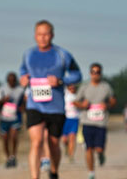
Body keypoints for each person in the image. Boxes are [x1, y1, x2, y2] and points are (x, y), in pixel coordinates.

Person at [20, 20, 82, 179]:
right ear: (35, 36)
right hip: (35, 105)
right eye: (39, 34)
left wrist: (61, 81)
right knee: (37, 141)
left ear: (52, 35)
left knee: (53, 144)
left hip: (55, 107)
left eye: (46, 34)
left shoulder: (62, 54)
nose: (43, 37)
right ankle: (35, 177)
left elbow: (77, 75)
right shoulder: (28, 54)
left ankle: (53, 172)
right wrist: (23, 79)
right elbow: (22, 71)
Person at [73, 63, 116, 179]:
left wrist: (106, 105)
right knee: (89, 148)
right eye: (93, 72)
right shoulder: (84, 87)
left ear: (101, 74)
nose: (95, 74)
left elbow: (113, 100)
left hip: (101, 122)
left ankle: (101, 154)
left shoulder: (106, 87)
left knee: (99, 148)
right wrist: (82, 105)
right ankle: (91, 172)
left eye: (98, 72)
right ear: (90, 73)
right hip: (87, 122)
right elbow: (75, 101)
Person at [0, 72, 25, 168]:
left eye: (13, 81)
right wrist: (4, 100)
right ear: (7, 81)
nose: (12, 83)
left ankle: (13, 156)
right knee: (5, 138)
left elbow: (25, 100)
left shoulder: (20, 90)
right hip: (4, 118)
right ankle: (8, 158)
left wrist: (22, 108)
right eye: (10, 81)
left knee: (14, 136)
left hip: (15, 117)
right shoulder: (1, 89)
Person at [61, 84, 79, 163]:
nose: (72, 88)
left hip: (74, 119)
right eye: (70, 87)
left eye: (73, 87)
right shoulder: (65, 95)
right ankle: (66, 147)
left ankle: (71, 156)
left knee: (72, 138)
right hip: (65, 119)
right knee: (64, 139)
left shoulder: (78, 96)